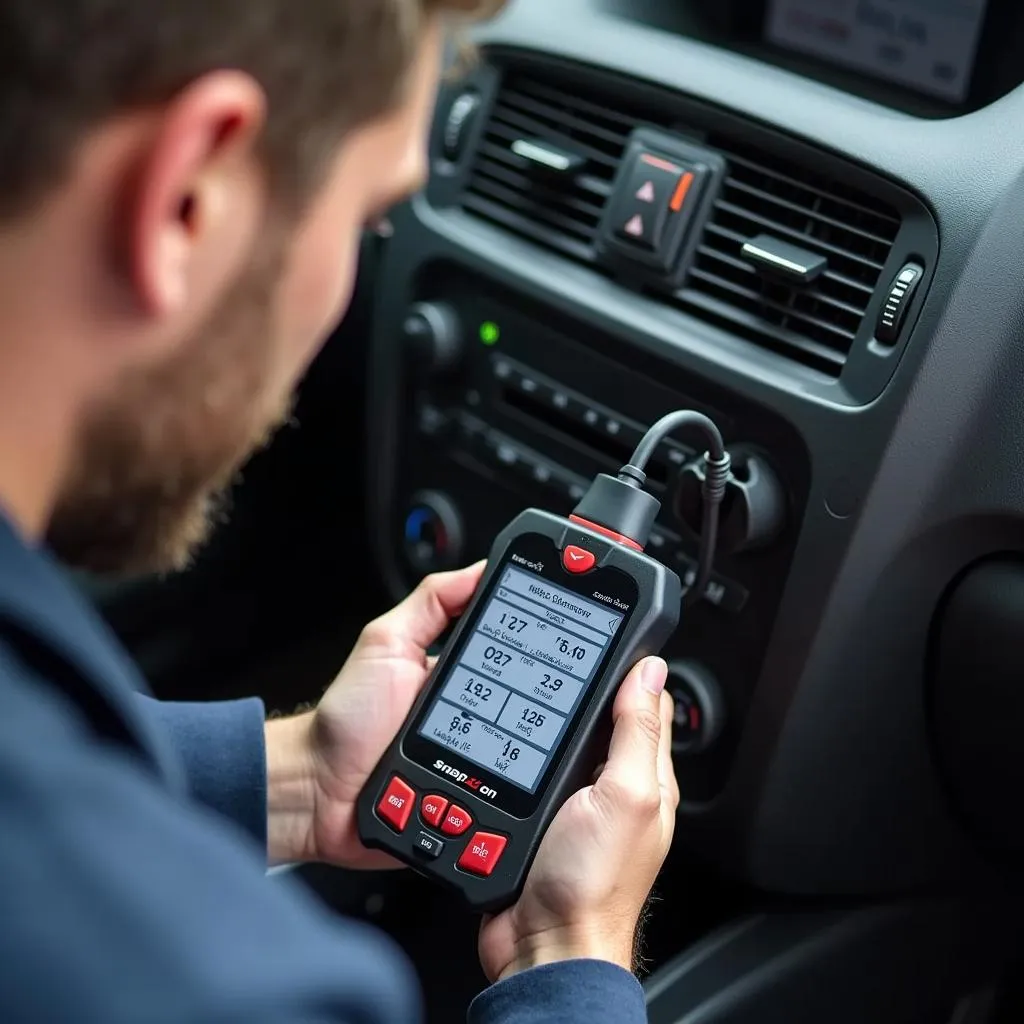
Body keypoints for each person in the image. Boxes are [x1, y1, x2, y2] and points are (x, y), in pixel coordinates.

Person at [0, 1, 681, 1021]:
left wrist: (298, 775)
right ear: (189, 195)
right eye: (371, 214)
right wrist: (569, 954)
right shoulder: (203, 984)